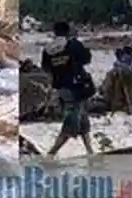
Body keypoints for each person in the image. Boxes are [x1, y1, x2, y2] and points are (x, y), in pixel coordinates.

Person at [41, 20, 95, 157]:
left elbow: (46, 69)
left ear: (54, 32)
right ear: (68, 31)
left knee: (82, 117)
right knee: (72, 121)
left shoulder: (47, 49)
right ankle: (51, 153)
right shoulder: (73, 44)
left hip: (61, 87)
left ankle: (90, 151)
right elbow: (87, 59)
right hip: (77, 87)